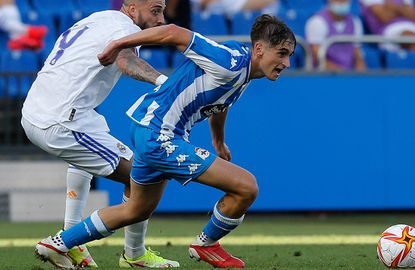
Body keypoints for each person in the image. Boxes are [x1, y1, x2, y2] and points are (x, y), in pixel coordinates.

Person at [33, 14, 295, 269]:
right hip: (160, 135)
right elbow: (174, 32)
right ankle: (206, 245)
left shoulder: (244, 70)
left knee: (136, 209)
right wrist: (118, 44)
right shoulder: (230, 61)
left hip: (148, 130)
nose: (286, 63)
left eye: (289, 55)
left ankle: (58, 243)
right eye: (281, 53)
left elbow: (220, 101)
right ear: (259, 49)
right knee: (246, 187)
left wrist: (218, 139)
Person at [22, 0, 179, 268]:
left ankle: (76, 244)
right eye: (155, 10)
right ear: (131, 9)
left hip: (43, 110)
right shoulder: (122, 28)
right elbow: (126, 59)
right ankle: (128, 253)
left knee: (87, 159)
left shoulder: (98, 18)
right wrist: (164, 82)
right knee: (145, 175)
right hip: (62, 121)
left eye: (162, 10)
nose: (161, 19)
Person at [305, 0, 366, 71]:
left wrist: (361, 74)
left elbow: (357, 55)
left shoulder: (356, 22)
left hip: (347, 75)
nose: (342, 2)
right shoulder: (317, 22)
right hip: (324, 75)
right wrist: (341, 74)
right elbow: (317, 58)